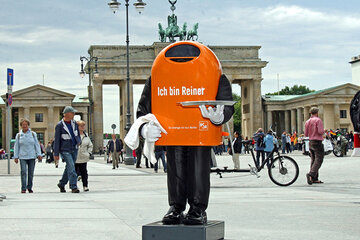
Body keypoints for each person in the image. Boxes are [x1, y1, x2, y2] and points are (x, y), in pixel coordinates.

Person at [54, 106, 81, 193]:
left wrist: (79, 141)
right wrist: (56, 154)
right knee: (72, 167)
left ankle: (62, 183)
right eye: (72, 113)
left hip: (74, 148)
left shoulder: (74, 123)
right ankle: (73, 186)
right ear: (67, 114)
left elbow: (77, 134)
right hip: (65, 149)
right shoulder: (60, 125)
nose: (74, 114)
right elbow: (57, 140)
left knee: (69, 167)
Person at [14, 118, 42, 193]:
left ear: (28, 125)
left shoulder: (33, 134)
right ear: (21, 126)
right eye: (23, 125)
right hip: (22, 156)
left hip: (32, 156)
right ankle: (23, 188)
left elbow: (36, 144)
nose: (24, 126)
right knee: (23, 172)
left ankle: (29, 187)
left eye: (26, 125)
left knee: (30, 173)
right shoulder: (19, 135)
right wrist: (15, 156)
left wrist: (39, 154)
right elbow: (16, 146)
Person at [304, 107, 325, 185]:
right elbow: (320, 131)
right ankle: (311, 174)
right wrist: (324, 131)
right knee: (319, 159)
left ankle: (314, 178)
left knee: (313, 159)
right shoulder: (318, 120)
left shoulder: (307, 121)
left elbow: (306, 134)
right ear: (317, 113)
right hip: (317, 141)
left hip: (310, 141)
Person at [75, 120, 93, 192]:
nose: (82, 127)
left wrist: (88, 153)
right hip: (75, 156)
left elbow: (90, 145)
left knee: (84, 172)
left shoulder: (86, 136)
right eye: (81, 126)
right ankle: (73, 186)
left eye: (83, 126)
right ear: (77, 127)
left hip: (83, 157)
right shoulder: (74, 135)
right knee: (74, 172)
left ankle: (85, 186)